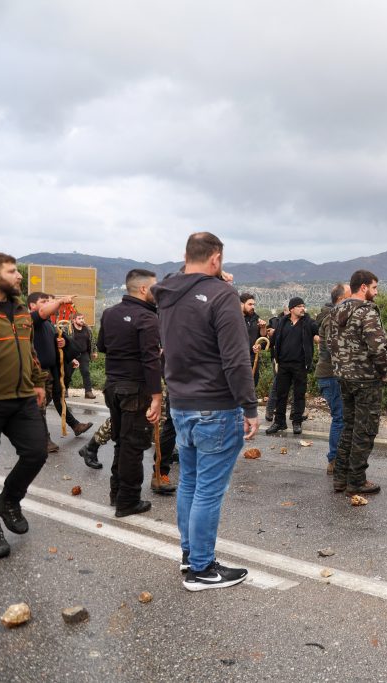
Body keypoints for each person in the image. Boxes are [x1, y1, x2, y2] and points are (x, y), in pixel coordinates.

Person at [153, 231, 258, 592]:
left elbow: (175, 276)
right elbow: (236, 358)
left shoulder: (166, 292)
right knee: (208, 491)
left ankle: (190, 555)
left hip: (181, 404)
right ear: (216, 259)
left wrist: (205, 276)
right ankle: (201, 568)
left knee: (190, 483)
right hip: (216, 405)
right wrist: (250, 406)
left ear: (186, 257)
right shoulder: (222, 294)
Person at [0, 252, 49, 559]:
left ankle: (9, 500)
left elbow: (30, 350)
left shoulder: (20, 309)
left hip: (23, 397)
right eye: (13, 271)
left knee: (37, 452)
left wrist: (38, 381)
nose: (19, 276)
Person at [97, 269, 162, 517]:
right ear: (143, 289)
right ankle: (128, 501)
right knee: (133, 445)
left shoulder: (109, 313)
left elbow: (102, 346)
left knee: (122, 442)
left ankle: (117, 493)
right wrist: (157, 397)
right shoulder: (147, 318)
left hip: (112, 386)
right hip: (135, 388)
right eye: (154, 286)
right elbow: (151, 360)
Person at [327, 270, 387, 495]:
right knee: (365, 431)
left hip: (344, 378)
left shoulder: (335, 311)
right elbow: (378, 347)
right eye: (374, 287)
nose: (376, 292)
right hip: (366, 379)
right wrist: (384, 371)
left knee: (349, 427)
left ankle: (340, 479)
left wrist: (342, 367)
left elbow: (329, 343)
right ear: (363, 287)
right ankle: (356, 481)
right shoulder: (367, 311)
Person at [28, 293, 93, 451]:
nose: (47, 304)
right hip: (36, 373)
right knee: (39, 406)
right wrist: (61, 301)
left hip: (51, 371)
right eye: (43, 301)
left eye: (48, 301)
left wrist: (63, 343)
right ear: (32, 306)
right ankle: (43, 440)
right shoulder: (30, 320)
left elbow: (58, 340)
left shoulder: (48, 324)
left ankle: (75, 425)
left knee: (56, 398)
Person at [265, 297, 319, 436]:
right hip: (283, 364)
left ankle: (297, 422)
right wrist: (261, 345)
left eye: (303, 306)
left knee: (299, 394)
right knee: (281, 394)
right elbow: (273, 339)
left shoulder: (308, 322)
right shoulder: (282, 322)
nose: (302, 308)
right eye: (299, 306)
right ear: (292, 309)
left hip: (300, 364)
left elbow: (320, 330)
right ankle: (279, 422)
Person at [315, 283, 349, 474]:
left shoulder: (339, 317)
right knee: (340, 417)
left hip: (335, 375)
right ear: (341, 299)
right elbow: (333, 348)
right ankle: (334, 460)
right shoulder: (332, 319)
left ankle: (340, 458)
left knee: (342, 417)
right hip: (331, 375)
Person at [64, 312, 96, 398]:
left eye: (82, 318)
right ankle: (64, 390)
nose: (82, 320)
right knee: (68, 373)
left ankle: (88, 392)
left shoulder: (87, 329)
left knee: (86, 372)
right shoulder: (68, 329)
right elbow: (64, 341)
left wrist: (94, 351)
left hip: (83, 353)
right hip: (72, 354)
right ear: (74, 320)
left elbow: (92, 340)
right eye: (79, 318)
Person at [240, 292, 267, 386]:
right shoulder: (234, 318)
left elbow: (262, 337)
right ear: (241, 304)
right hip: (238, 360)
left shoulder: (255, 318)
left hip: (253, 360)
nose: (253, 307)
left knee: (252, 385)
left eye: (253, 304)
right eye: (250, 304)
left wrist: (263, 328)